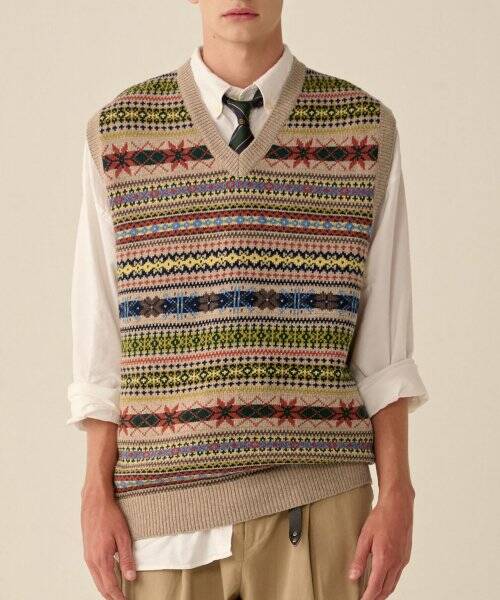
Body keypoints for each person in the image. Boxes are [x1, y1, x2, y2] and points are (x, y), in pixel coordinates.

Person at [67, 1, 429, 599]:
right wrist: (93, 494)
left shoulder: (362, 130)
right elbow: (101, 345)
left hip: (318, 501)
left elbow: (385, 349)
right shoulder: (119, 135)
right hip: (162, 516)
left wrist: (398, 493)